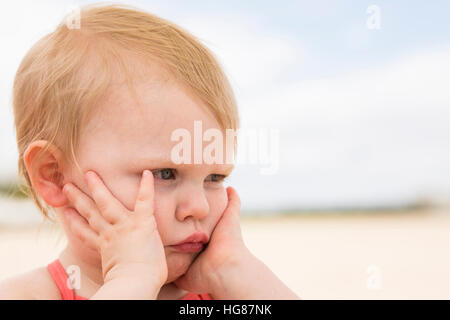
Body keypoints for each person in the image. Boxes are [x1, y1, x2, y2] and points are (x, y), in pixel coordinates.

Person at [0, 3, 299, 300]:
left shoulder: (230, 291)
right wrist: (132, 281)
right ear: (53, 175)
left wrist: (233, 271)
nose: (199, 207)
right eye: (165, 174)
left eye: (215, 177)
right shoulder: (26, 294)